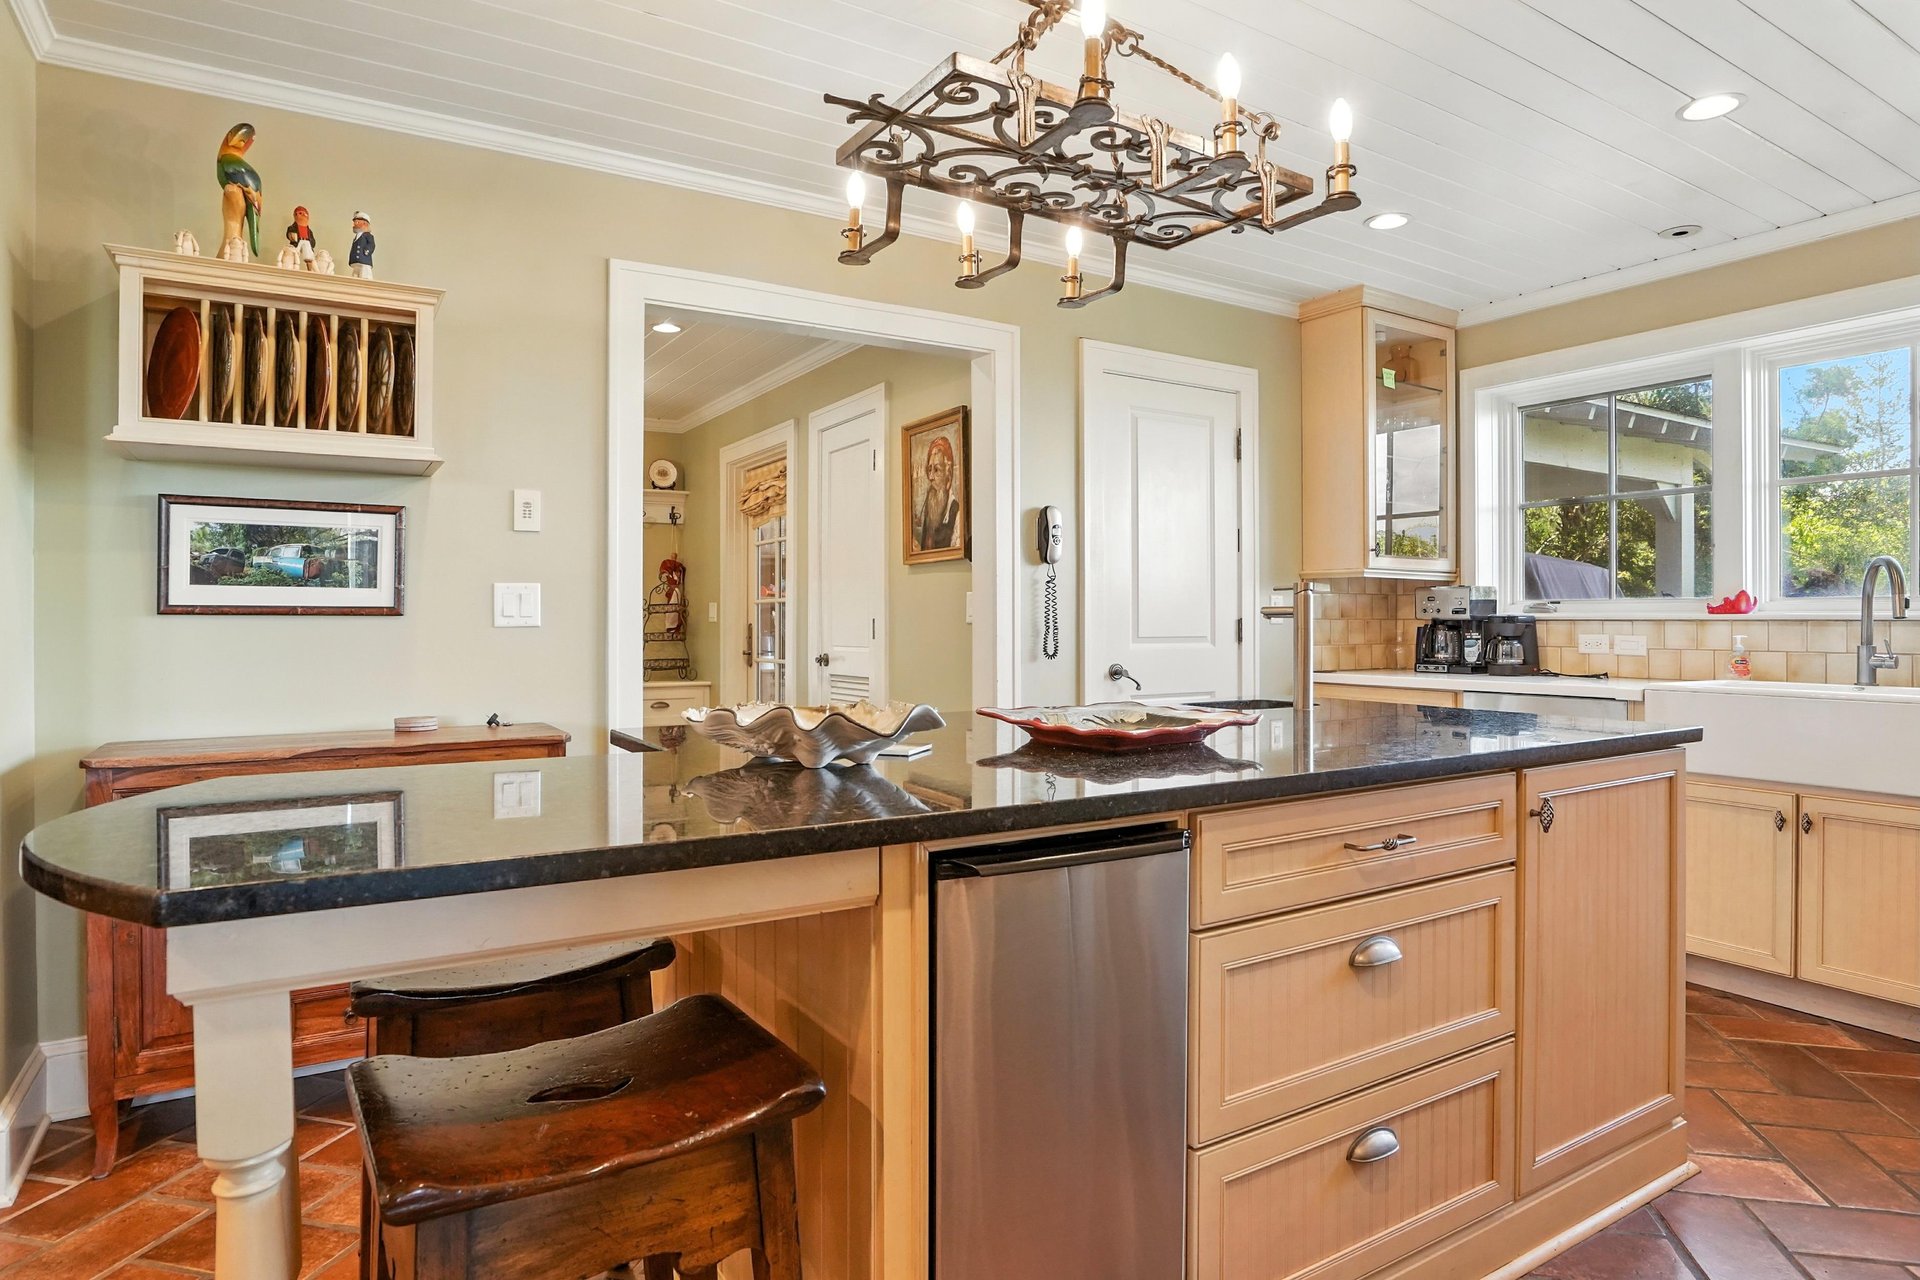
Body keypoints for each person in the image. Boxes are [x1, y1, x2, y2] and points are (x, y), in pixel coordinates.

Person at [915, 435, 961, 551]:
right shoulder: (930, 509)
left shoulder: (956, 513)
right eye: (929, 469)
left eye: (936, 470)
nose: (930, 477)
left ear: (948, 474)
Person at [348, 210, 376, 279]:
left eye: (357, 222)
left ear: (365, 223)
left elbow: (371, 244)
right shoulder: (357, 236)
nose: (354, 224)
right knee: (355, 276)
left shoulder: (368, 236)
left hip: (364, 261)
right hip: (356, 262)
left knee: (364, 275)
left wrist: (367, 251)